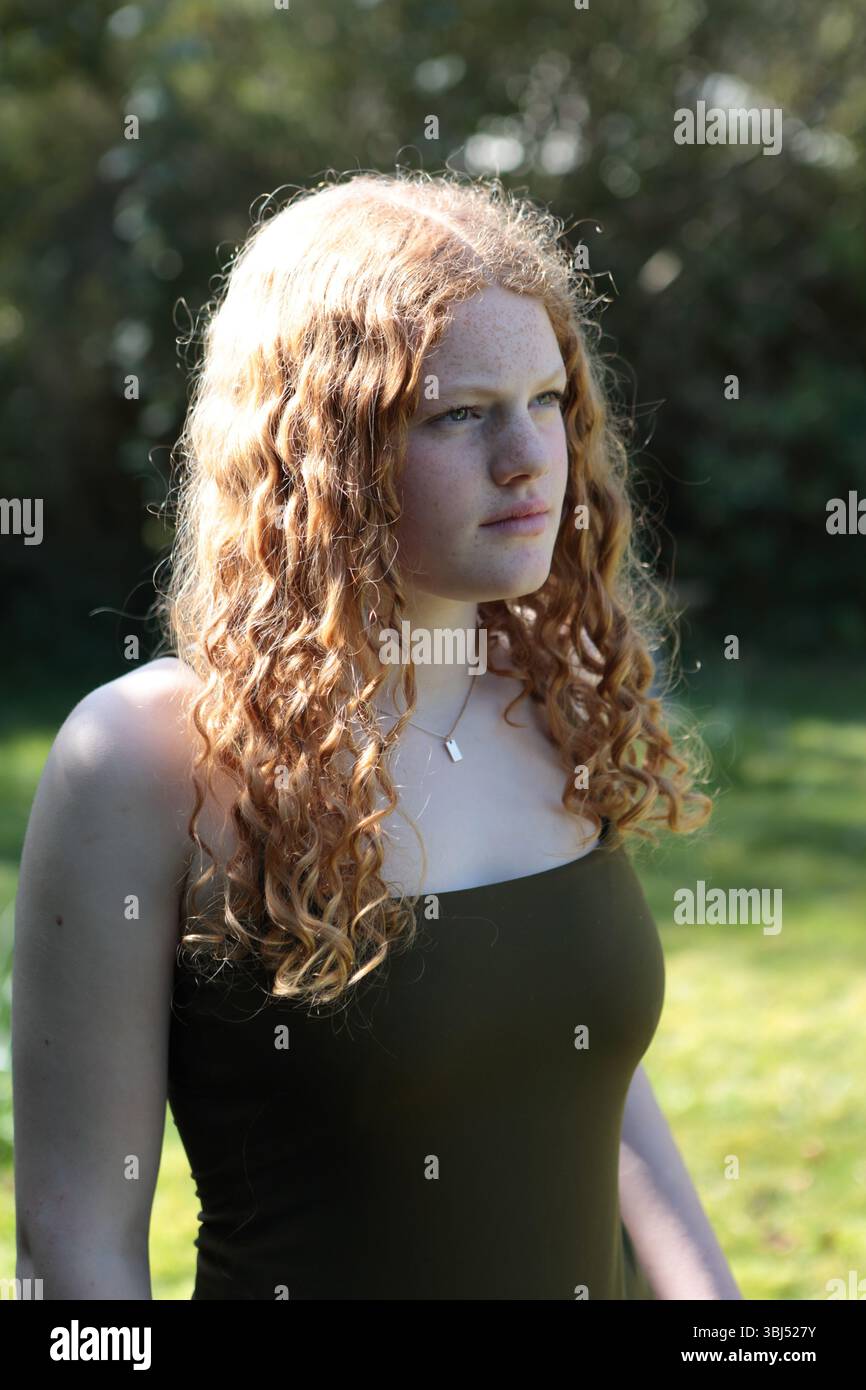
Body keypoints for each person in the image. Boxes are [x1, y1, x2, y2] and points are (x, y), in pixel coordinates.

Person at [13, 169, 742, 1299]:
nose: (527, 459)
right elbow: (77, 1254)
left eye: (545, 399)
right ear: (322, 453)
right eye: (458, 414)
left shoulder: (550, 694)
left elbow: (585, 1077)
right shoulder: (147, 759)